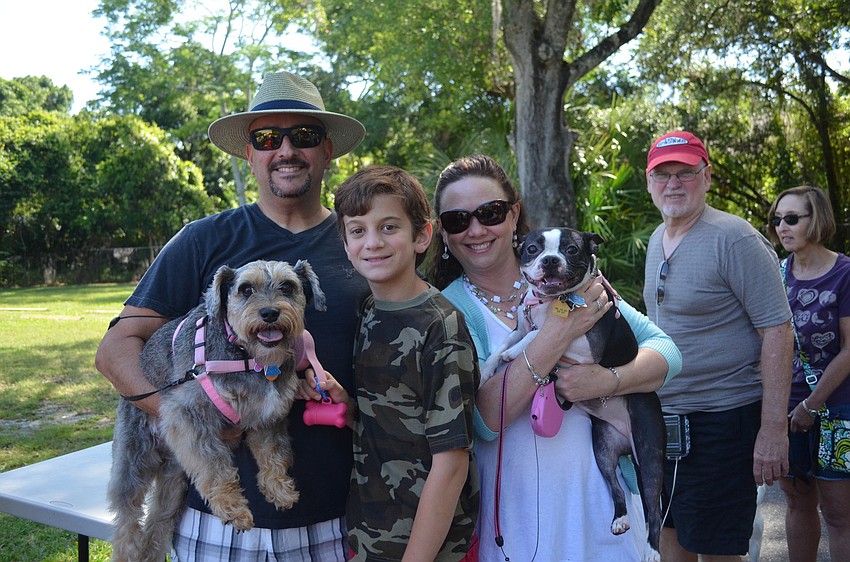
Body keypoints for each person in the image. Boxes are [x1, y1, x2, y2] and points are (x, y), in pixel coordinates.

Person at [95, 71, 370, 561]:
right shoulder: (203, 240)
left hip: (337, 520)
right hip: (213, 526)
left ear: (327, 150)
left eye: (303, 136)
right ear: (250, 153)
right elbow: (116, 348)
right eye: (268, 137)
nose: (285, 150)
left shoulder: (364, 246)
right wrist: (195, 423)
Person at [425, 154, 682, 561]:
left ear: (513, 215)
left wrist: (608, 381)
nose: (476, 230)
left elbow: (667, 353)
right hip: (518, 517)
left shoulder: (579, 280)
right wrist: (557, 333)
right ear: (442, 232)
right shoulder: (444, 310)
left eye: (490, 213)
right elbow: (484, 420)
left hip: (602, 503)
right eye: (458, 220)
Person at [642, 131, 794, 561]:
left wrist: (773, 431)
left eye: (686, 172)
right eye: (663, 174)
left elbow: (779, 332)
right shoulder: (657, 239)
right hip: (666, 422)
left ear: (706, 177)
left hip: (724, 422)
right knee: (668, 540)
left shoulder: (735, 238)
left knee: (718, 550)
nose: (674, 183)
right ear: (649, 182)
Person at [331, 165, 479, 561]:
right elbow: (390, 417)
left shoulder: (441, 326)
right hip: (367, 539)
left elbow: (451, 463)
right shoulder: (366, 311)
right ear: (345, 243)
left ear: (422, 235)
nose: (373, 242)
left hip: (429, 549)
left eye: (389, 227)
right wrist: (344, 403)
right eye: (358, 230)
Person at [768, 186, 850, 561]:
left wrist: (812, 405)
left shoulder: (844, 274)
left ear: (815, 220)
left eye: (791, 219)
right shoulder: (775, 273)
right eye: (777, 219)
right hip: (786, 407)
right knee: (797, 501)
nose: (781, 227)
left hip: (837, 410)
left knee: (838, 512)